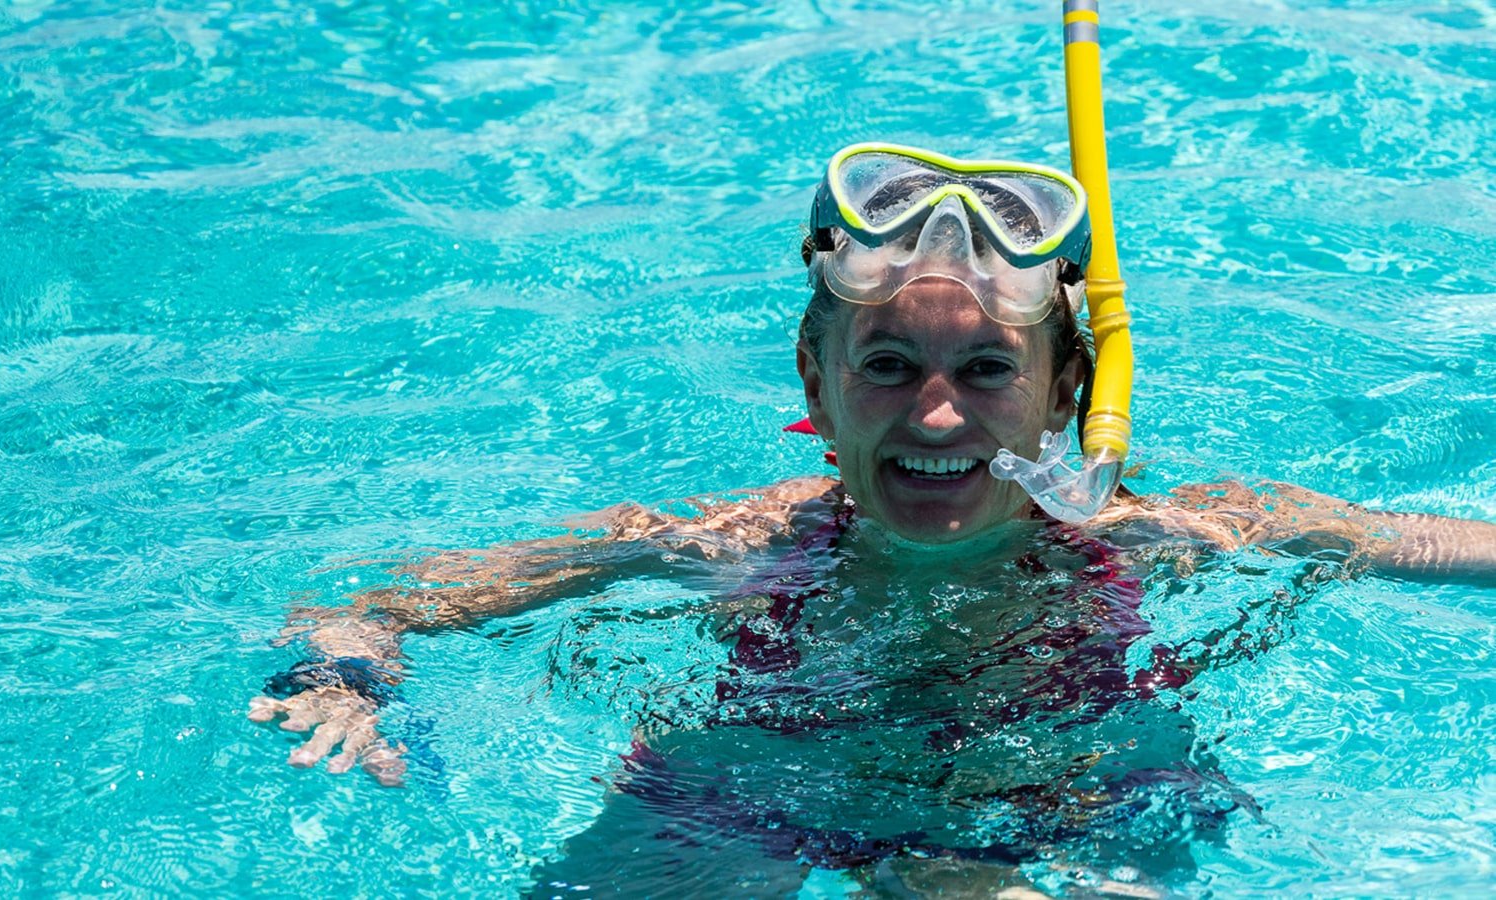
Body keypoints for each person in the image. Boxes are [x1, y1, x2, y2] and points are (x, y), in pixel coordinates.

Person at [249, 144, 1496, 893]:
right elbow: (374, 600)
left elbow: (1438, 545)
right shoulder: (723, 541)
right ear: (816, 384)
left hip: (1090, 792)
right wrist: (347, 680)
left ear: (1065, 392)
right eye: (889, 367)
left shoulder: (1177, 533)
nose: (939, 417)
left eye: (989, 373)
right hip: (753, 794)